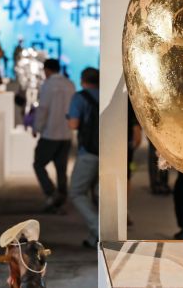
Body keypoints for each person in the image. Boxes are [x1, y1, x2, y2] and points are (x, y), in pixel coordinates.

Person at [32, 59, 76, 213]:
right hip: (66, 133)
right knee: (61, 168)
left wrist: (37, 127)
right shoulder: (70, 84)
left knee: (38, 164)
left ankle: (51, 193)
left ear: (47, 70)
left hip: (50, 133)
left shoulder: (48, 85)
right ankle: (61, 197)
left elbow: (43, 108)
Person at [68, 67, 100, 248]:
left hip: (88, 152)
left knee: (77, 192)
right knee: (98, 194)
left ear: (82, 80)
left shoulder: (79, 98)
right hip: (109, 151)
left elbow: (74, 124)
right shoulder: (105, 95)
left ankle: (98, 229)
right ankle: (93, 237)